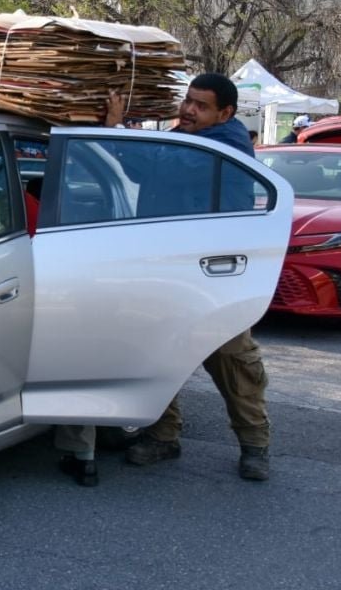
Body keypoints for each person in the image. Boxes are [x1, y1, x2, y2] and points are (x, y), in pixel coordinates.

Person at [54, 73, 272, 486]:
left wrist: (116, 130)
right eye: (188, 100)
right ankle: (163, 435)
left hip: (213, 275)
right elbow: (144, 174)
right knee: (158, 352)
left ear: (225, 112)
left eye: (201, 105)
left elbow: (162, 166)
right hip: (170, 269)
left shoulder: (225, 145)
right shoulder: (186, 137)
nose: (188, 110)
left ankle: (254, 445)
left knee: (231, 360)